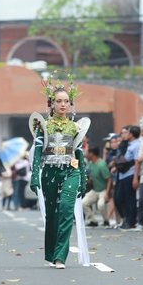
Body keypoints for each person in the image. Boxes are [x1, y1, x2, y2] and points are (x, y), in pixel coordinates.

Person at [29, 74, 90, 269]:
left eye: (66, 101)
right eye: (59, 101)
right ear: (51, 104)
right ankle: (51, 253)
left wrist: (83, 177)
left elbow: (78, 153)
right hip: (49, 173)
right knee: (52, 215)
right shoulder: (43, 126)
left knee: (65, 210)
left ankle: (60, 257)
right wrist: (34, 176)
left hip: (70, 172)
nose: (63, 105)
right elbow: (38, 150)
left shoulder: (75, 127)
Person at [115, 125, 141, 230]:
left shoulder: (137, 145)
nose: (124, 135)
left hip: (130, 174)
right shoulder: (126, 144)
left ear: (132, 134)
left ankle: (131, 221)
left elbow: (136, 162)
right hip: (122, 175)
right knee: (119, 198)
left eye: (127, 133)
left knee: (130, 199)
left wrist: (135, 178)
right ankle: (125, 218)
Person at [83, 147, 111, 227]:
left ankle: (106, 221)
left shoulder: (101, 165)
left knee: (101, 205)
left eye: (87, 152)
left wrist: (107, 193)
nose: (86, 154)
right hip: (95, 190)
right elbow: (90, 178)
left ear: (92, 154)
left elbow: (109, 179)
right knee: (84, 203)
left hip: (103, 190)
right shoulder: (90, 164)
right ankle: (92, 220)